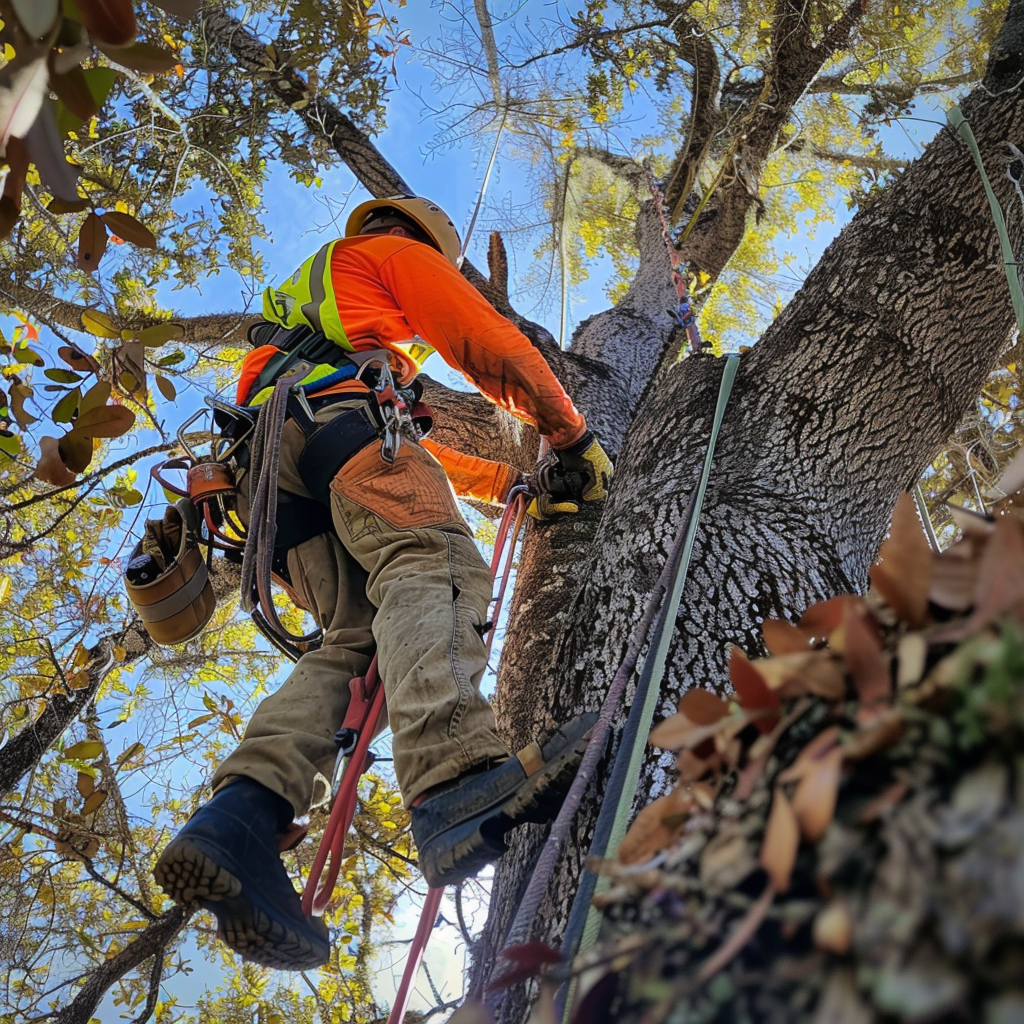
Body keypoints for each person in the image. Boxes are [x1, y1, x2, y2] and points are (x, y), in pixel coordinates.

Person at [153, 195, 613, 970]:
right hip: (339, 434)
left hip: (272, 477)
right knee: (430, 565)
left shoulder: (318, 309)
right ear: (417, 241)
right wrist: (571, 435)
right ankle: (454, 776)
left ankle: (242, 814)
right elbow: (481, 340)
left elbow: (397, 440)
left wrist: (506, 484)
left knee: (354, 643)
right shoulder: (394, 259)